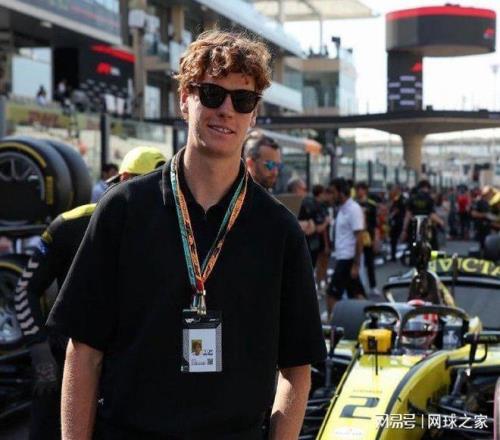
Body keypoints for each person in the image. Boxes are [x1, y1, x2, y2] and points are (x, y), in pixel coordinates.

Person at [47, 30, 326, 439]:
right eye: (212, 94)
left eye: (242, 99)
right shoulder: (123, 209)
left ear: (253, 114)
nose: (226, 110)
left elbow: (297, 368)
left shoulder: (279, 230)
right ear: (185, 99)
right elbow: (84, 351)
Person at [14, 147, 166, 440]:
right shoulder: (70, 224)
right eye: (144, 183)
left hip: (128, 377)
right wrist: (40, 353)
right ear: (124, 178)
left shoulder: (172, 231)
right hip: (65, 367)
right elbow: (24, 290)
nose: (153, 195)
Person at [327, 178, 366, 319]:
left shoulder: (353, 209)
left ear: (341, 192)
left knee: (332, 294)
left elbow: (359, 237)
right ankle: (368, 320)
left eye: (333, 192)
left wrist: (356, 264)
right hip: (343, 257)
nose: (330, 196)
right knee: (356, 294)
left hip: (347, 259)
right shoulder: (342, 208)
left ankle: (332, 324)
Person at [401, 179, 444, 250]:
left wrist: (404, 230)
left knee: (412, 246)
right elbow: (431, 214)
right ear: (426, 188)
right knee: (434, 246)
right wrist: (441, 222)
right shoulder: (429, 199)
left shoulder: (412, 198)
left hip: (413, 227)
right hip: (426, 227)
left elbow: (408, 215)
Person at [298, 184, 330, 269]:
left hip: (314, 243)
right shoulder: (312, 205)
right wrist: (326, 222)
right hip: (311, 243)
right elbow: (317, 228)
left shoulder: (320, 205)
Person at [355, 182, 378, 294]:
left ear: (365, 190)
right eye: (357, 190)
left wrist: (375, 238)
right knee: (357, 261)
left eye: (360, 189)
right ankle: (359, 287)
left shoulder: (371, 204)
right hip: (357, 236)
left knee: (370, 262)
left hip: (368, 236)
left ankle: (373, 286)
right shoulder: (354, 204)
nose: (358, 192)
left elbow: (375, 224)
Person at [388, 184, 406, 261]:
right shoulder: (395, 198)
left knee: (397, 238)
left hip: (399, 220)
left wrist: (390, 216)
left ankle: (403, 255)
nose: (392, 191)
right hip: (396, 221)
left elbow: (396, 210)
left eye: (393, 190)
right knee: (393, 239)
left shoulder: (400, 199)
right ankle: (393, 256)